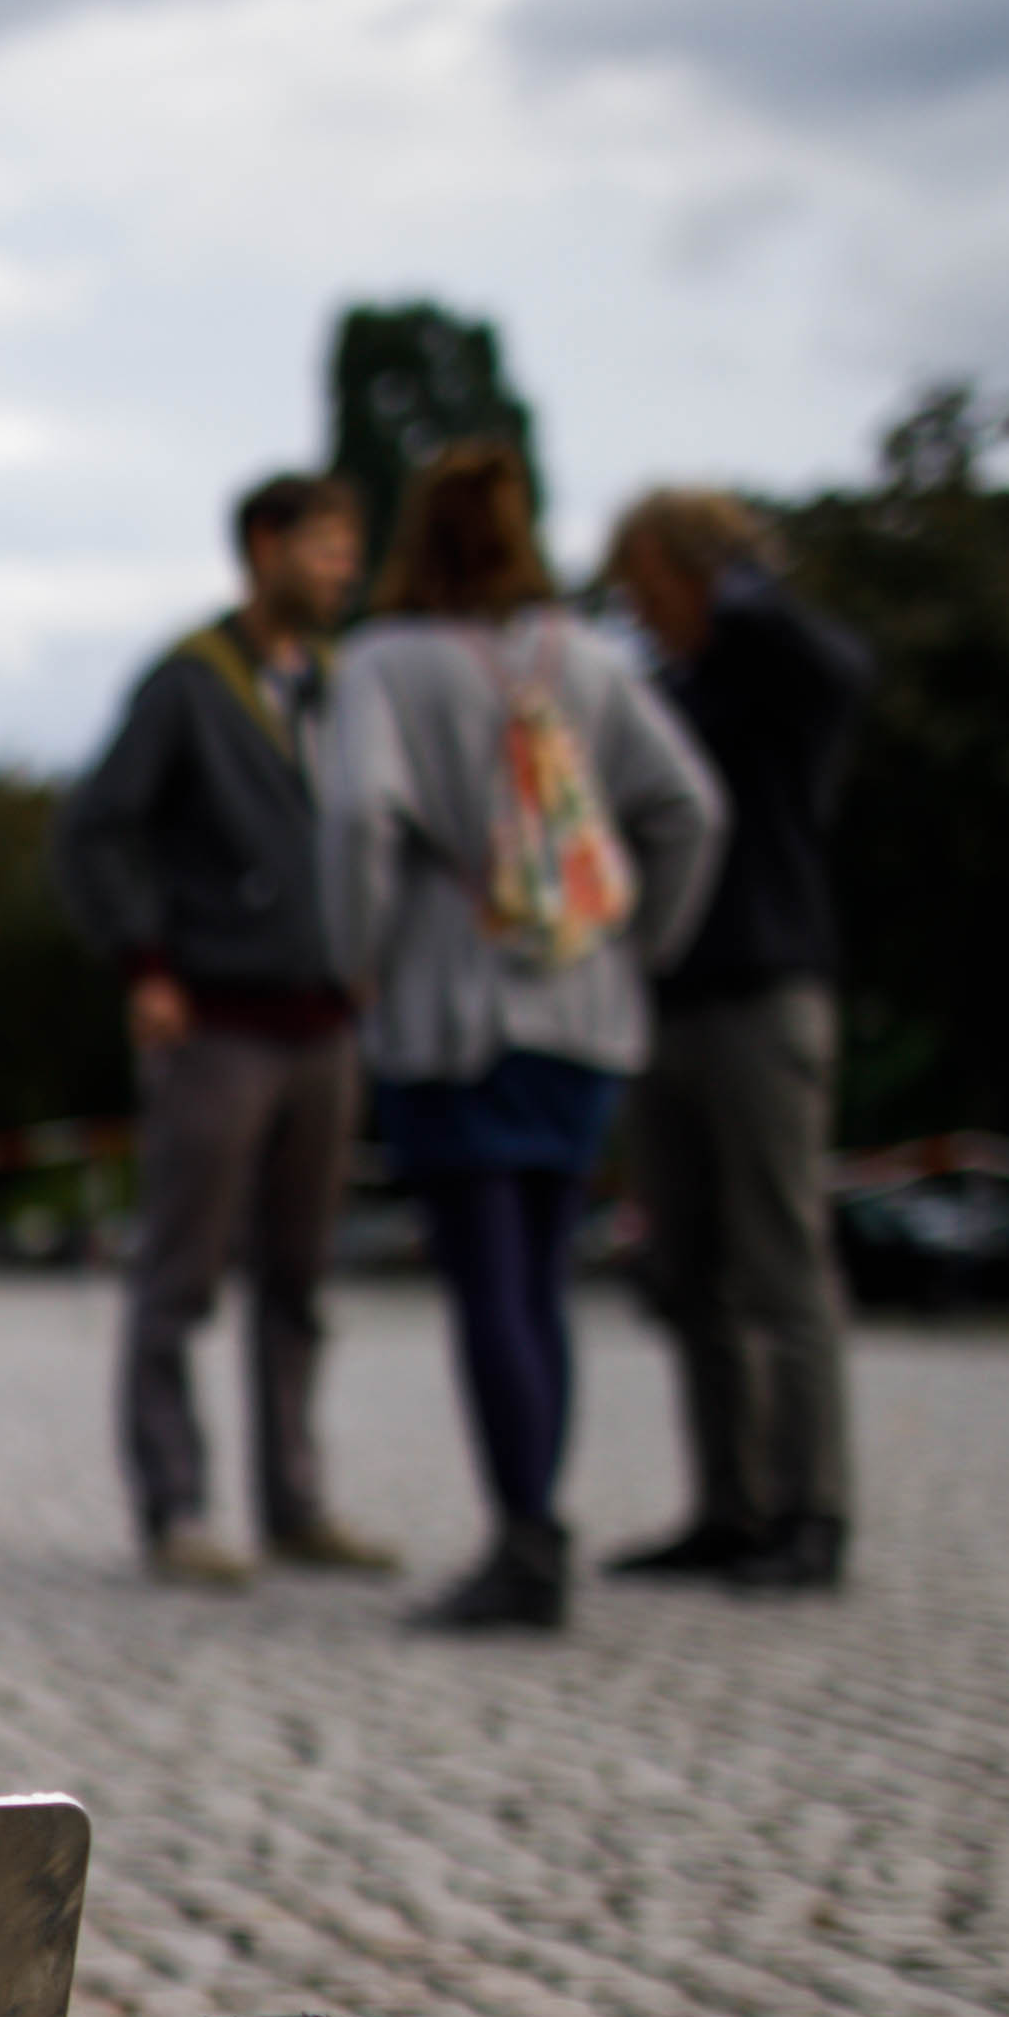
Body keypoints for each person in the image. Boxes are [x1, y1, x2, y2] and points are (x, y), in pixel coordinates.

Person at [321, 440, 724, 1635]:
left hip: (458, 1004)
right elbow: (690, 809)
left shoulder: (386, 665)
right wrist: (637, 942)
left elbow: (354, 815)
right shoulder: (589, 660)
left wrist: (363, 956)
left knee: (489, 1277)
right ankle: (536, 1517)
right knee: (542, 1280)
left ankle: (525, 1534)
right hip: (583, 1006)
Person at [48, 471, 397, 1589]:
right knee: (182, 1269)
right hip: (218, 1017)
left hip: (322, 1019)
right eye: (327, 545)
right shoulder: (191, 687)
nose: (344, 566)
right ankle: (176, 1502)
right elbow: (95, 830)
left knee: (299, 1276)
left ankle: (295, 1501)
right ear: (265, 545)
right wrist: (143, 961)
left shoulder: (348, 686)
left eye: (353, 547)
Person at [598, 490, 877, 1592]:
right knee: (689, 1271)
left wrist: (744, 586)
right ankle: (729, 1502)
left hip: (764, 992)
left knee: (780, 1260)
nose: (636, 609)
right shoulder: (670, 693)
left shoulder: (779, 671)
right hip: (667, 997)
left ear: (694, 573)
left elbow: (840, 671)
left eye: (647, 585)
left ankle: (813, 1509)